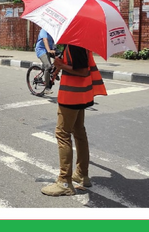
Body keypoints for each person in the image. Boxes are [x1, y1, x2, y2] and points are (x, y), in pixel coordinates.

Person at [41, 44, 107, 197]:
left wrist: (62, 65)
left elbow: (83, 71)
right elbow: (77, 65)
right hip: (80, 95)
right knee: (79, 132)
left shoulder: (75, 44)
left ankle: (64, 181)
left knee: (62, 133)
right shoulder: (79, 44)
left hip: (71, 97)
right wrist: (60, 65)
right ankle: (82, 175)